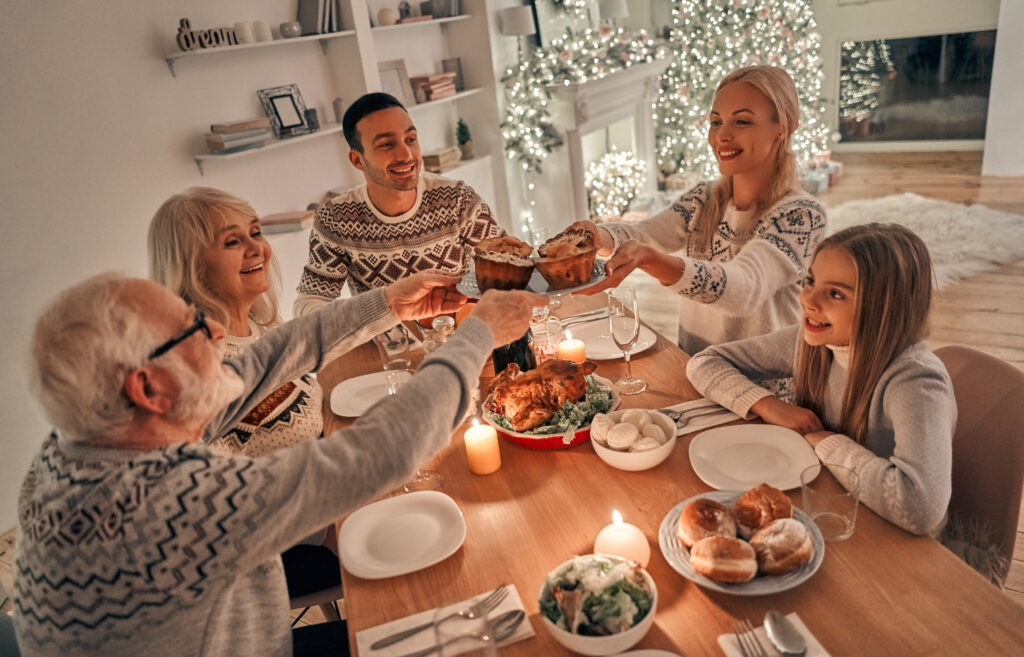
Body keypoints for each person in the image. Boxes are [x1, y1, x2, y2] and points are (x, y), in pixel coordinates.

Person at [14, 271, 545, 657]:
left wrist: (387, 304)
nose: (219, 333)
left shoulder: (75, 450)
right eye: (193, 327)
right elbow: (384, 450)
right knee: (490, 631)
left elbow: (263, 360)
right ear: (148, 388)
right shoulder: (169, 506)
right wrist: (476, 335)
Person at [686, 224, 955, 536]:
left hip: (893, 540)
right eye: (810, 281)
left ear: (884, 308)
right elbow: (705, 362)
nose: (808, 301)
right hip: (828, 503)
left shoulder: (915, 382)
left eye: (835, 293)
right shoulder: (811, 341)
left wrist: (823, 440)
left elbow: (920, 508)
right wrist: (768, 405)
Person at [574, 66, 827, 355]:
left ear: (783, 127)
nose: (722, 136)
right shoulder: (703, 199)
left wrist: (652, 261)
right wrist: (600, 236)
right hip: (696, 366)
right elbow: (646, 234)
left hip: (764, 385)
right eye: (715, 122)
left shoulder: (802, 215)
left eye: (742, 122)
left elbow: (744, 289)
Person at [294, 92, 504, 316]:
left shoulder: (458, 200)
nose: (406, 154)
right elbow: (308, 305)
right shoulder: (336, 219)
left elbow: (505, 264)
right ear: (357, 160)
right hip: (389, 349)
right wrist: (382, 305)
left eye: (410, 140)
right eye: (386, 144)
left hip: (461, 340)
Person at [149, 187, 320, 458]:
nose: (257, 249)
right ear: (195, 269)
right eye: (232, 242)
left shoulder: (265, 326)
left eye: (255, 233)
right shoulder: (198, 369)